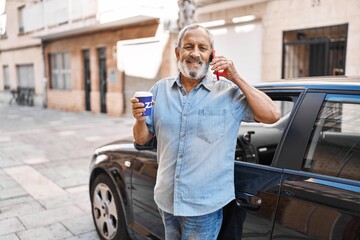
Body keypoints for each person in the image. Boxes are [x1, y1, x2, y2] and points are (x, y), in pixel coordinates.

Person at [131, 23, 280, 240]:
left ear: (211, 55)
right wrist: (139, 120)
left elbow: (272, 115)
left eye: (202, 48)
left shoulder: (228, 93)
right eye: (188, 46)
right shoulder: (159, 90)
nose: (195, 53)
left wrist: (235, 76)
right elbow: (141, 138)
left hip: (205, 208)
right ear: (177, 52)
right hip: (167, 201)